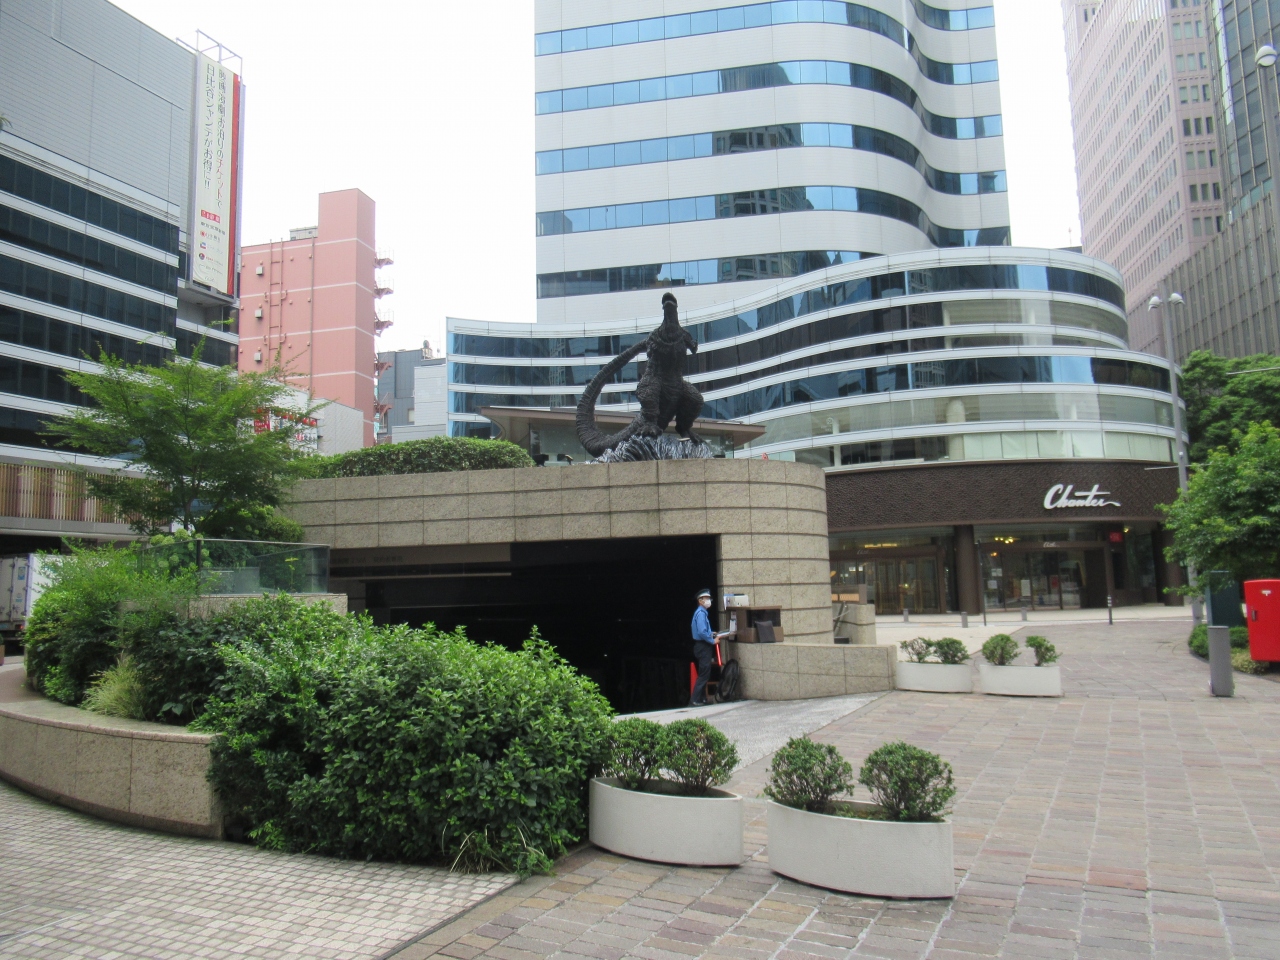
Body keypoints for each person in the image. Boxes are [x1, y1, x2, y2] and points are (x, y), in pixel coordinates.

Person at [690, 588, 727, 706]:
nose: (709, 601)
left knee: (704, 673)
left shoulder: (701, 613)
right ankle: (695, 700)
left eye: (709, 598)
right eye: (706, 598)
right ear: (700, 600)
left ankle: (702, 699)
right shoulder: (701, 614)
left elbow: (703, 631)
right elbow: (701, 632)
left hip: (701, 645)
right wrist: (712, 640)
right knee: (704, 674)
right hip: (703, 646)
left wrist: (711, 633)